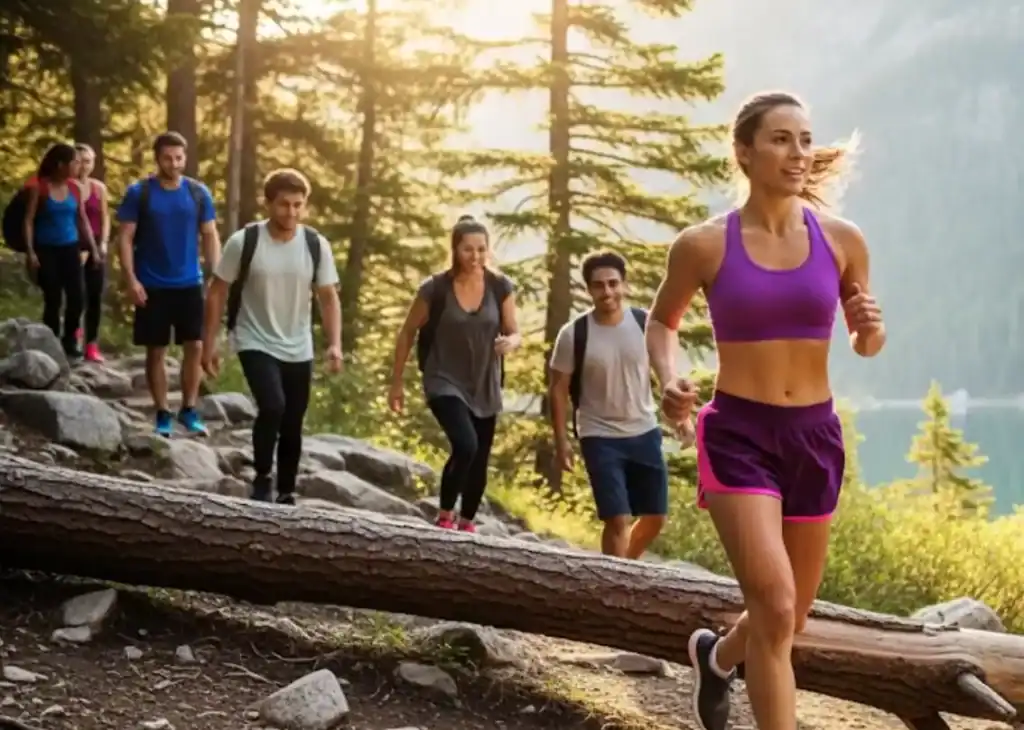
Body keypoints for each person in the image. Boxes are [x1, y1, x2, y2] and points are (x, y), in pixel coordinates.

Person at [645, 91, 885, 730]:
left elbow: (866, 342)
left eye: (805, 139)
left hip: (814, 435)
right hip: (738, 434)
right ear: (745, 152)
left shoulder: (842, 240)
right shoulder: (704, 245)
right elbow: (662, 322)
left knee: (791, 615)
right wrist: (669, 379)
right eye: (781, 139)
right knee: (776, 607)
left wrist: (869, 329)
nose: (798, 153)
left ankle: (717, 657)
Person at [201, 168, 343, 504]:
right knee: (273, 405)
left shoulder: (315, 245)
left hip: (298, 344)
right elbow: (218, 291)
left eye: (298, 205)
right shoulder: (245, 241)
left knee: (293, 420)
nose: (291, 212)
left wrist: (334, 344)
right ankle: (263, 475)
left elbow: (328, 297)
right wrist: (210, 343)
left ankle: (287, 491)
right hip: (254, 338)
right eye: (283, 204)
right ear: (268, 203)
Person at [388, 215, 520, 532]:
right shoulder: (435, 289)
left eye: (481, 249)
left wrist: (511, 342)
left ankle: (467, 523)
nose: (475, 256)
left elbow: (514, 331)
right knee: (466, 445)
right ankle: (445, 514)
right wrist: (397, 383)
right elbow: (407, 332)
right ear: (455, 250)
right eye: (467, 249)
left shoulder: (500, 287)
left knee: (480, 458)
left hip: (484, 382)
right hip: (443, 379)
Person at [548, 250, 668, 558]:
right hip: (599, 434)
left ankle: (625, 567)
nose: (607, 292)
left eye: (613, 283)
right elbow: (558, 389)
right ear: (589, 289)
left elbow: (665, 372)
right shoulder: (574, 334)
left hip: (644, 430)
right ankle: (616, 582)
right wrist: (562, 442)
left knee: (655, 517)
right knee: (617, 518)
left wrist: (680, 418)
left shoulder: (644, 324)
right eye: (599, 285)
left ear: (624, 285)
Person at [116, 131, 220, 437]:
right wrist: (131, 279)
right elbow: (125, 237)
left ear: (185, 158)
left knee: (195, 345)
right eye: (167, 158)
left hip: (190, 282)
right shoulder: (140, 193)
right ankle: (162, 412)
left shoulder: (198, 193)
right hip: (152, 283)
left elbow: (210, 234)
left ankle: (189, 409)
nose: (174, 164)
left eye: (179, 158)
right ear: (157, 158)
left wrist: (216, 273)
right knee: (156, 351)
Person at [23, 143, 101, 358]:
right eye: (74, 162)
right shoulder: (40, 188)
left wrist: (94, 249)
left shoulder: (75, 188)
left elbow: (82, 220)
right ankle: (51, 342)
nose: (78, 166)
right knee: (53, 298)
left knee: (78, 297)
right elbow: (28, 220)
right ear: (60, 165)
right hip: (46, 250)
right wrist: (30, 252)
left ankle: (69, 340)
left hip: (70, 248)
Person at [74, 142, 110, 362]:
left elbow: (105, 218)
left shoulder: (99, 188)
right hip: (73, 245)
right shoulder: (67, 187)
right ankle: (74, 337)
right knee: (76, 294)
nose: (83, 166)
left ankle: (92, 345)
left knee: (95, 295)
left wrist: (103, 243)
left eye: (87, 161)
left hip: (96, 245)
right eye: (79, 161)